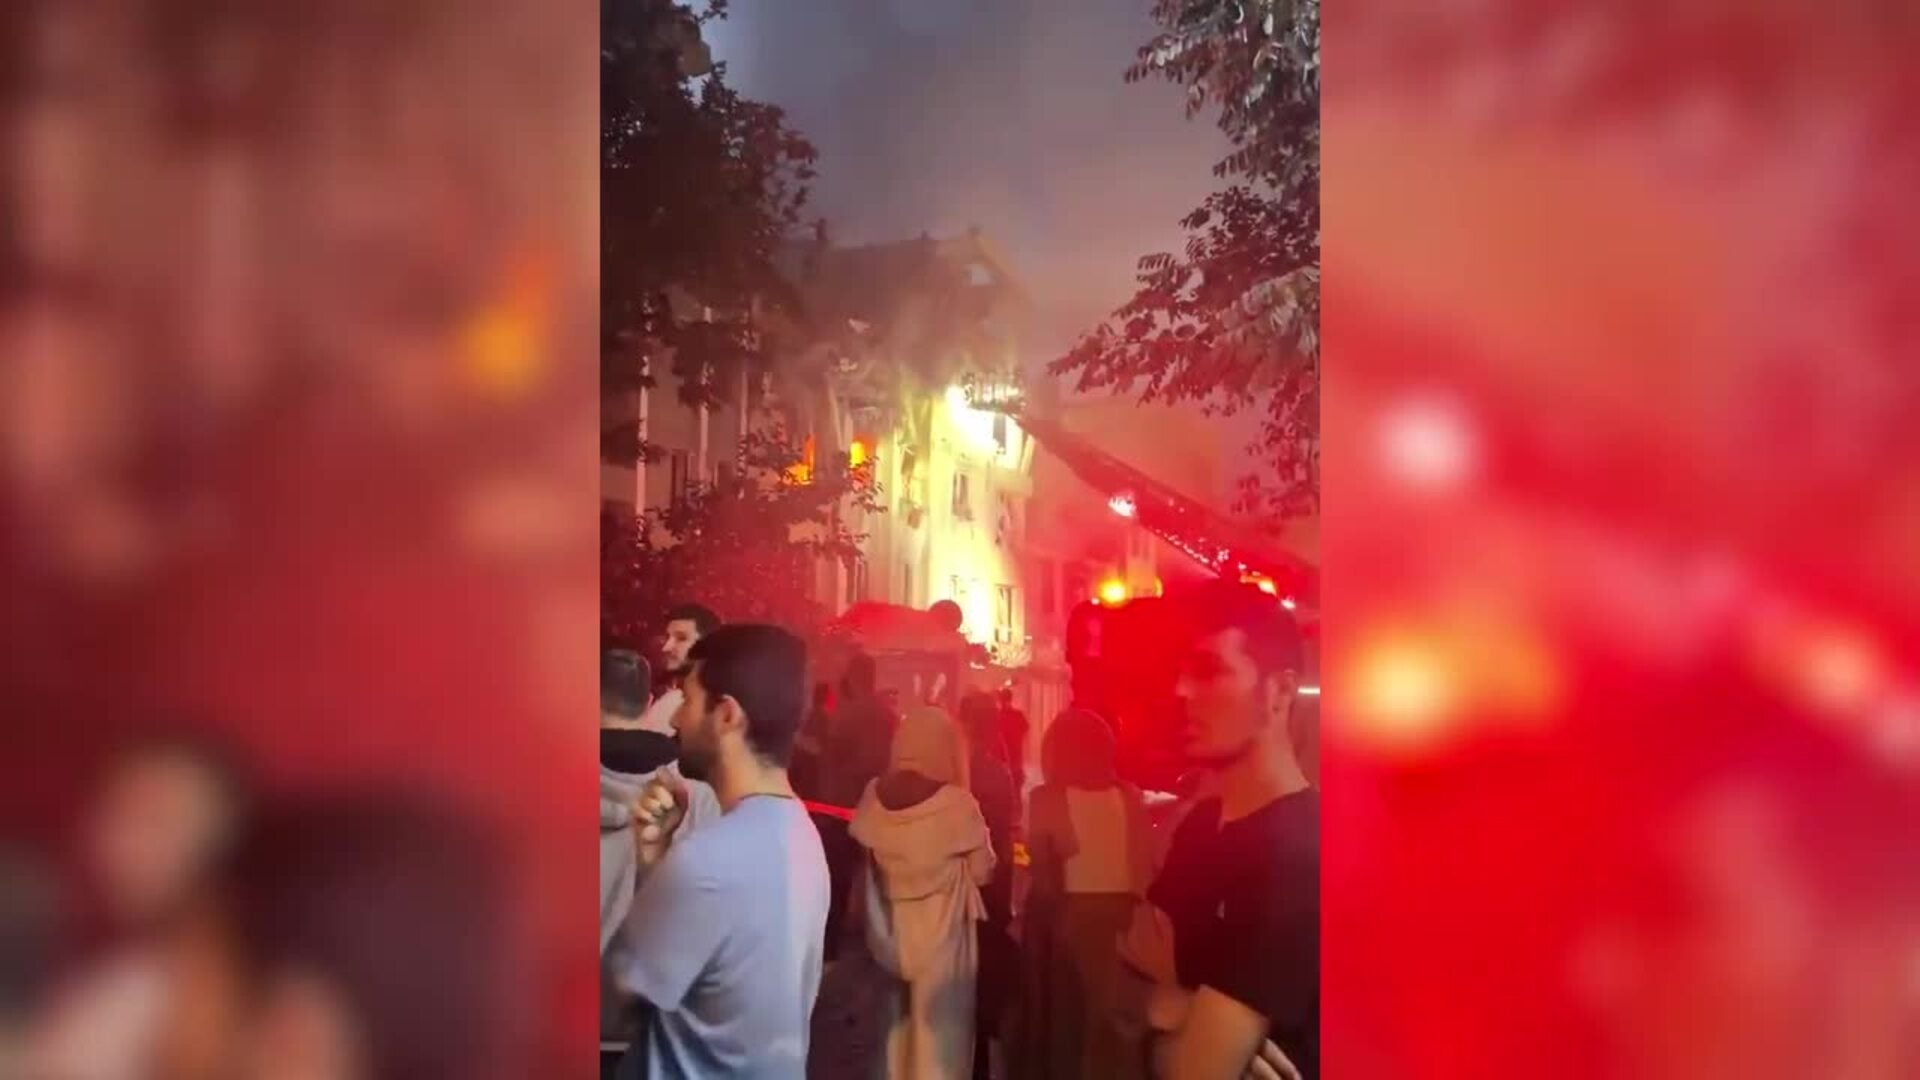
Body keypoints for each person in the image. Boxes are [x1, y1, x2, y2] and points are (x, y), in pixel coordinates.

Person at [608, 624, 830, 1080]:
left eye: (688, 700)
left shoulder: (708, 860)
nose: (674, 720)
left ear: (727, 715)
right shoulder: (801, 835)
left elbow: (613, 1007)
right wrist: (656, 861)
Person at [1119, 584, 1318, 1080]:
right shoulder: (1201, 830)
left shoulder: (1296, 853)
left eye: (1209, 670)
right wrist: (1176, 1007)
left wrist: (1160, 1012)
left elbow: (1194, 1071)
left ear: (1279, 692)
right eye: (1180, 672)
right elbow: (1118, 986)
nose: (1181, 691)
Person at [26, 734, 254, 1080]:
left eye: (154, 820)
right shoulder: (88, 945)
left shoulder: (170, 984)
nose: (116, 836)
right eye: (114, 806)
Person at [851, 706, 996, 1080]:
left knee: (891, 1040)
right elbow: (983, 871)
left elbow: (864, 857)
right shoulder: (958, 805)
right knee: (941, 1041)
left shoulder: (873, 796)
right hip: (945, 947)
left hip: (888, 936)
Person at [1010, 708, 1155, 1080]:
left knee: (1068, 1028)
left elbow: (1038, 869)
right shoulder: (1130, 796)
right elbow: (1145, 865)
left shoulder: (1046, 799)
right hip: (1127, 924)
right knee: (1116, 1029)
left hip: (1070, 925)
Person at [956, 693, 1019, 1080]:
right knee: (981, 987)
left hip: (956, 888)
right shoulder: (998, 772)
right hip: (989, 888)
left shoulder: (953, 771)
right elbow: (1006, 840)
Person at [641, 603, 720, 735]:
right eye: (667, 638)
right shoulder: (666, 696)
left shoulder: (712, 705)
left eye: (681, 638)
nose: (666, 647)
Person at [995, 690, 1030, 793]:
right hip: (1014, 756)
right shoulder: (1018, 715)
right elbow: (1026, 729)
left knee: (1005, 786)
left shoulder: (998, 716)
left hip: (1003, 757)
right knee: (1016, 784)